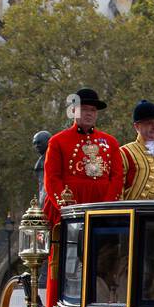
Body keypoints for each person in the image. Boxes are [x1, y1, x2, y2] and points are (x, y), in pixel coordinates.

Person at [42, 87, 124, 226]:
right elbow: (52, 178)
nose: (89, 114)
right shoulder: (58, 141)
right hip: (69, 206)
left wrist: (106, 206)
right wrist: (66, 208)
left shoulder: (111, 142)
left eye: (93, 110)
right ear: (73, 110)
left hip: (101, 205)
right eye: (84, 109)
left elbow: (117, 177)